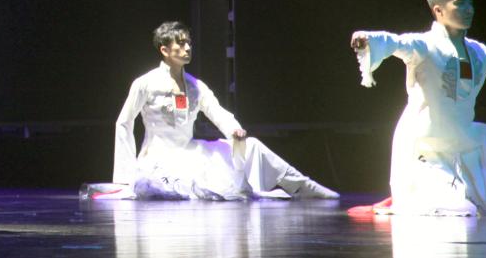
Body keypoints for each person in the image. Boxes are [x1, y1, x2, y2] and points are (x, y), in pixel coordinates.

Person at [114, 21, 338, 200]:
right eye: (180, 44)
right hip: (159, 158)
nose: (187, 48)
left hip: (189, 151)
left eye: (189, 43)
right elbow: (124, 122)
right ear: (164, 50)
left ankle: (302, 185)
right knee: (187, 185)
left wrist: (234, 130)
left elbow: (217, 111)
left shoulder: (195, 86)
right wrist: (126, 175)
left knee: (251, 146)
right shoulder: (145, 83)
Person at [351, 0, 486, 215]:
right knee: (460, 210)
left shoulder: (479, 52)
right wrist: (367, 39)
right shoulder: (425, 45)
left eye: (470, 3)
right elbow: (396, 42)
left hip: (464, 139)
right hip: (426, 148)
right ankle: (408, 196)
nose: (469, 10)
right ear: (438, 10)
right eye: (460, 4)